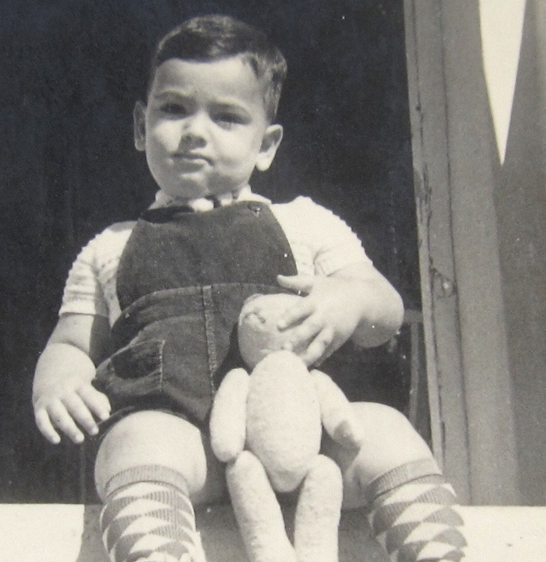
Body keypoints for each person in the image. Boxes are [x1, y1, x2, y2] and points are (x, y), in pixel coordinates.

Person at [32, 14, 465, 562]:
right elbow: (72, 343)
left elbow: (385, 313)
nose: (195, 131)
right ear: (141, 127)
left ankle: (437, 554)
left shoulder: (305, 223)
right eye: (174, 109)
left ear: (266, 144)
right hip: (189, 452)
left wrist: (350, 300)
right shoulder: (109, 248)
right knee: (131, 441)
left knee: (387, 430)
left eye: (227, 117)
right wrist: (59, 382)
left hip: (305, 447)